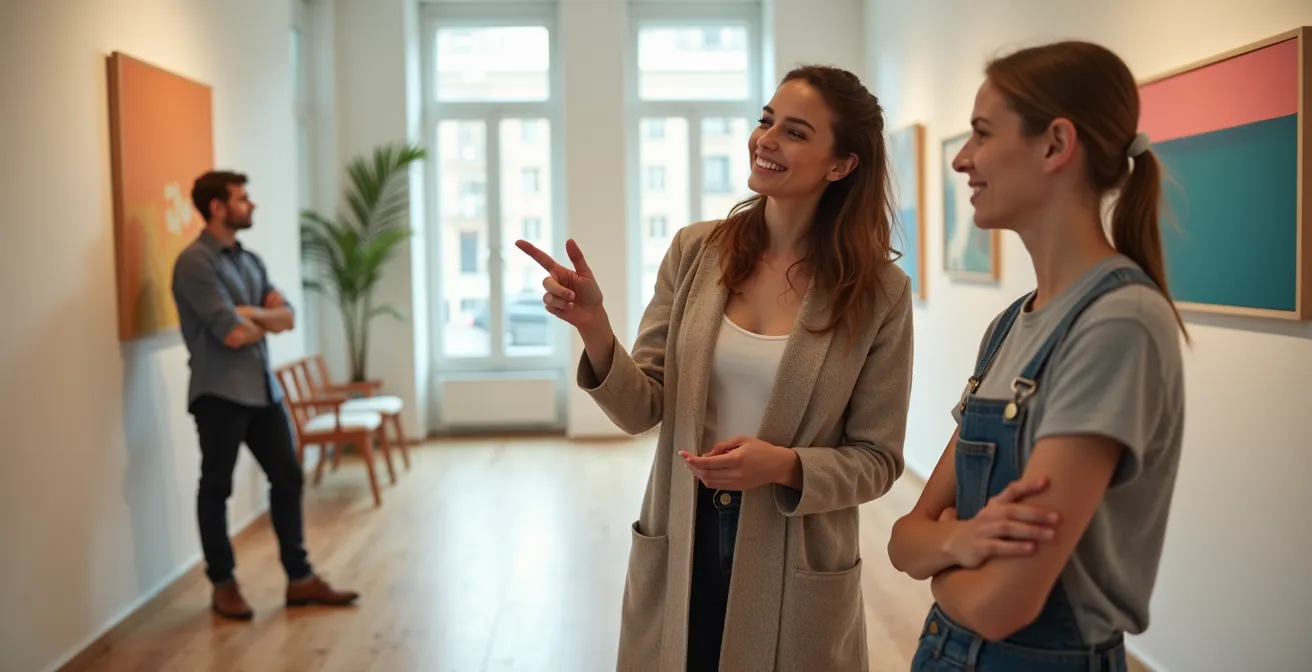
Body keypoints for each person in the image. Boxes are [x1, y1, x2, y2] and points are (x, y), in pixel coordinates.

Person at [518, 65, 914, 671]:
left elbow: (879, 460)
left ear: (842, 165)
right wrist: (594, 327)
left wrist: (783, 464)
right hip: (682, 533)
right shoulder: (696, 251)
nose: (766, 139)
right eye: (765, 120)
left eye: (796, 132)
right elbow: (640, 408)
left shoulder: (879, 292)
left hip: (795, 547)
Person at [886, 41, 1188, 671]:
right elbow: (902, 542)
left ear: (1055, 144)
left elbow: (1002, 606)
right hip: (945, 652)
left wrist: (942, 570)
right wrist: (962, 539)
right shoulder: (1007, 327)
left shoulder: (1118, 324)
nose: (963, 160)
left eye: (982, 133)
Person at [171, 170, 359, 620]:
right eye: (242, 198)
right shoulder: (196, 263)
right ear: (217, 207)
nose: (250, 205)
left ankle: (299, 579)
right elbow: (233, 334)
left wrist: (251, 312)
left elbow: (288, 317)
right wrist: (258, 319)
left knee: (288, 476)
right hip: (219, 393)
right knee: (216, 487)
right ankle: (223, 583)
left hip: (261, 388)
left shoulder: (247, 260)